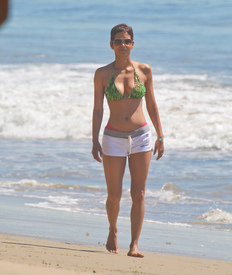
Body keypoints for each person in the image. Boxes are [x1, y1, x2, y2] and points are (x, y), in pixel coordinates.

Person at [92, 23, 164, 258]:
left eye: (127, 41)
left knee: (139, 192)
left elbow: (152, 104)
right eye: (118, 41)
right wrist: (95, 140)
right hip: (113, 137)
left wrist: (160, 136)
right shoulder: (102, 74)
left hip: (141, 136)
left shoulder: (144, 70)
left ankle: (134, 244)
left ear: (133, 43)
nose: (123, 45)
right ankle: (113, 230)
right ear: (111, 45)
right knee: (114, 195)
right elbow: (97, 110)